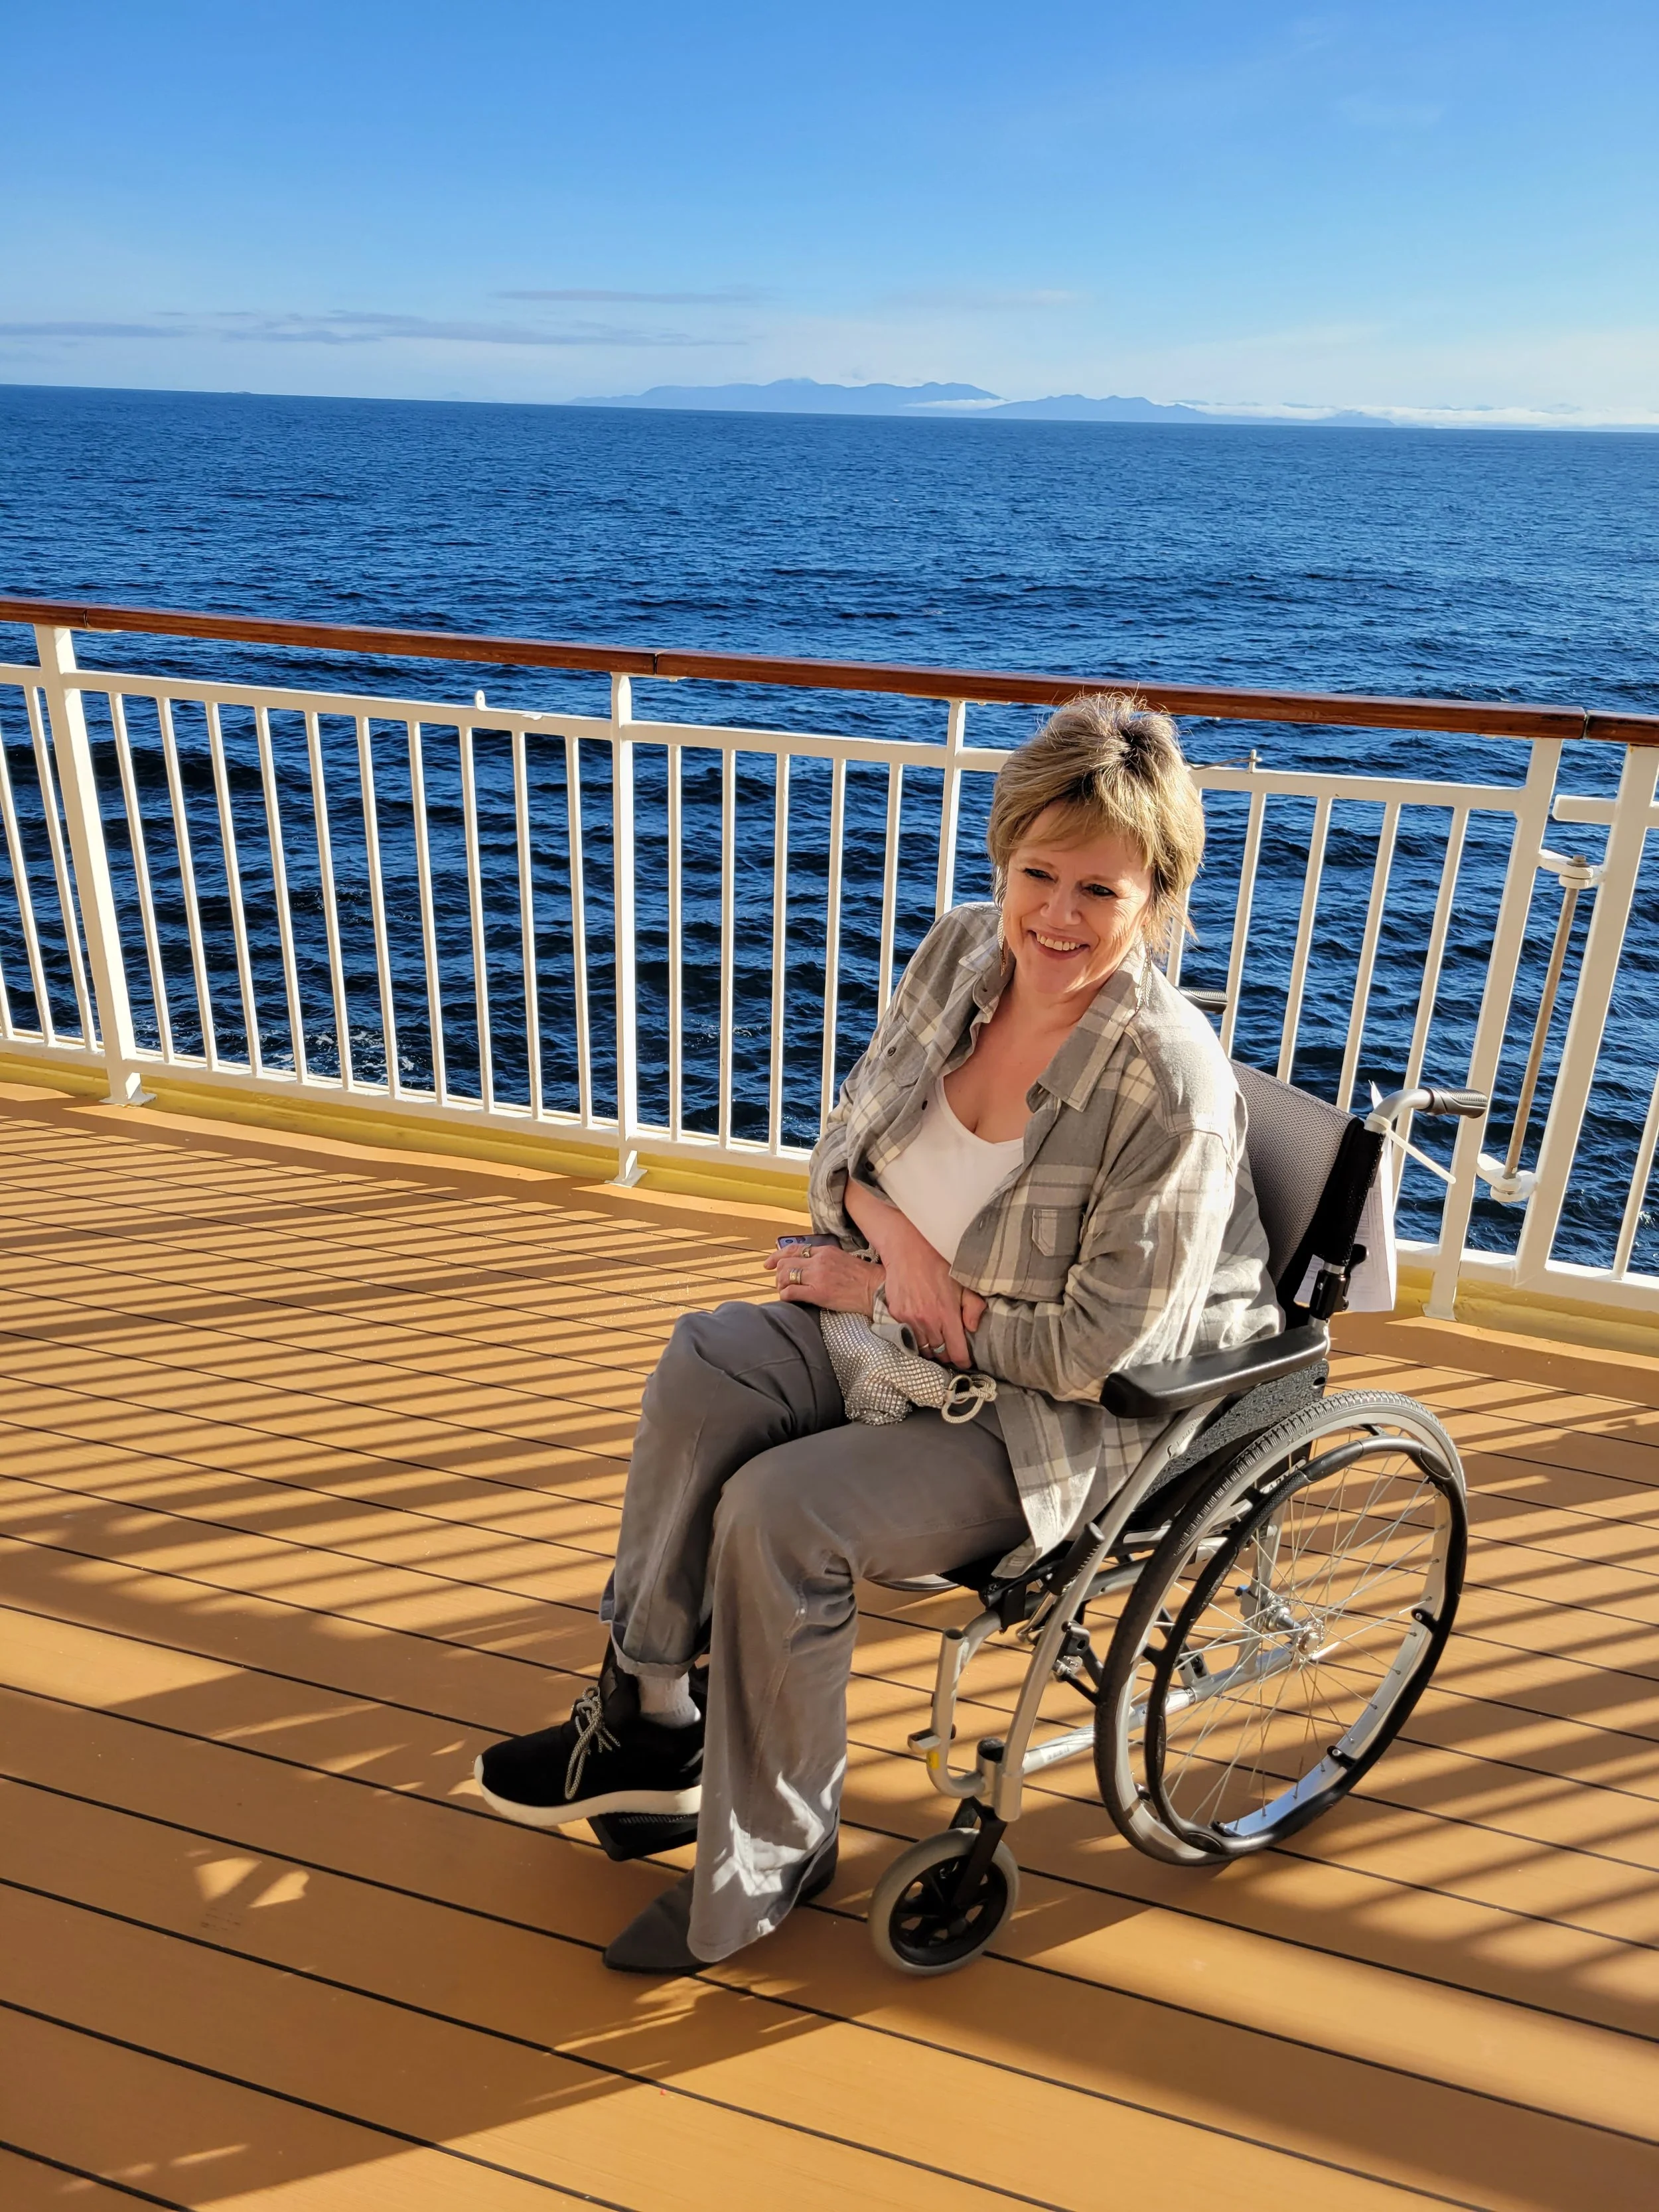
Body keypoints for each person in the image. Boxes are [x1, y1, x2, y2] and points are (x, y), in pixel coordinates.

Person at [474, 692, 1279, 1973]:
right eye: (1038, 873)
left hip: (1041, 1422)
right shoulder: (964, 953)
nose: (1057, 918)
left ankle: (775, 1853)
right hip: (891, 1325)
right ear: (1003, 860)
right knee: (711, 1360)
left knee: (780, 1512)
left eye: (1101, 892)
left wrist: (873, 1293)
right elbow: (844, 1150)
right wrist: (891, 1249)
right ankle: (649, 1715)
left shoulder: (1166, 1082)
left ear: (1157, 899)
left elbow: (1089, 1357)